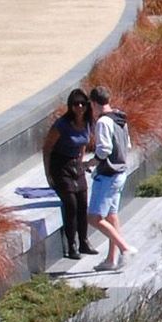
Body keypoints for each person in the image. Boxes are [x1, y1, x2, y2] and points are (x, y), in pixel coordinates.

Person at [40, 88, 97, 262]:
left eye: (82, 103)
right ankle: (71, 244)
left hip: (75, 166)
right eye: (75, 104)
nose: (79, 107)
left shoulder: (88, 123)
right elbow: (47, 148)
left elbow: (82, 144)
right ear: (70, 106)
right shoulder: (62, 125)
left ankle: (84, 241)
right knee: (70, 204)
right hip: (60, 165)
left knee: (82, 203)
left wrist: (81, 161)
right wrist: (48, 173)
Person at [88, 86, 136, 271]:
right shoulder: (120, 118)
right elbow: (128, 144)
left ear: (94, 103)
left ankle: (125, 248)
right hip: (120, 173)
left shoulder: (103, 123)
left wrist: (90, 163)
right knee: (112, 215)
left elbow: (104, 150)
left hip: (108, 175)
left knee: (94, 218)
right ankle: (111, 260)